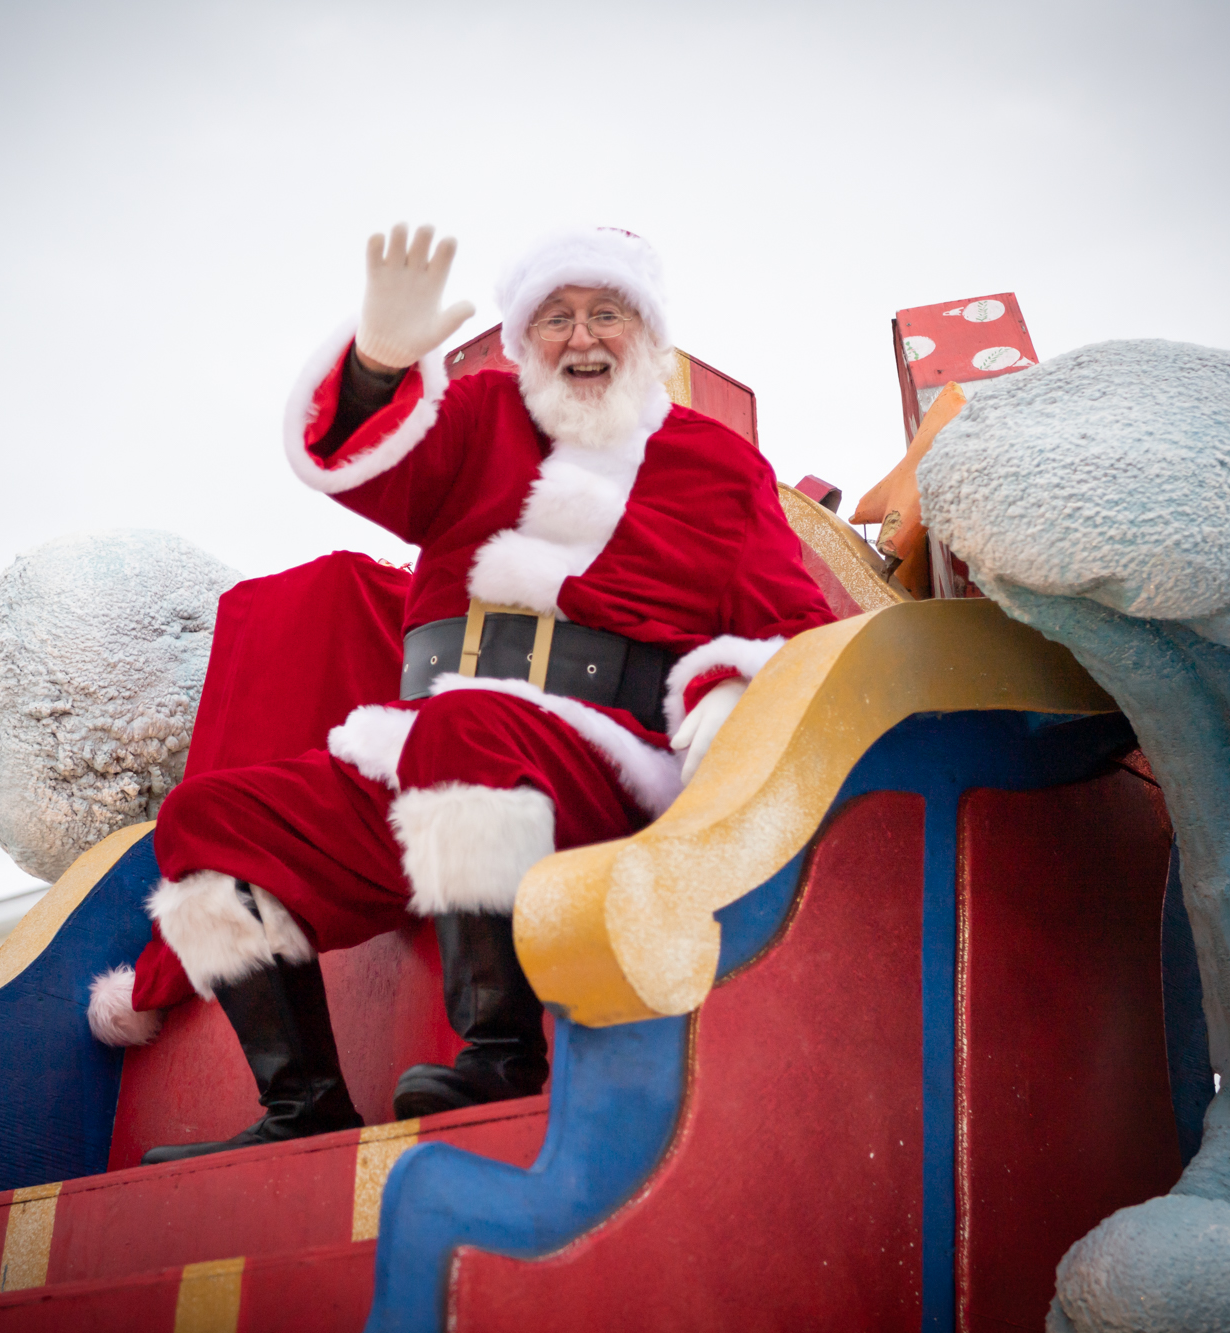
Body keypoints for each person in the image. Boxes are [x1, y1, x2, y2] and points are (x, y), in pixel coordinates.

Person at [98, 224, 835, 1162]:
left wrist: (722, 702)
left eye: (605, 313)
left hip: (594, 763)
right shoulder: (482, 416)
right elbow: (370, 461)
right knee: (212, 814)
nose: (580, 338)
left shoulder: (717, 466)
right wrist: (374, 365)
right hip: (429, 753)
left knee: (466, 725)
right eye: (556, 318)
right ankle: (303, 1100)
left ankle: (499, 1051)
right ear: (526, 341)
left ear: (645, 334)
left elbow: (790, 625)